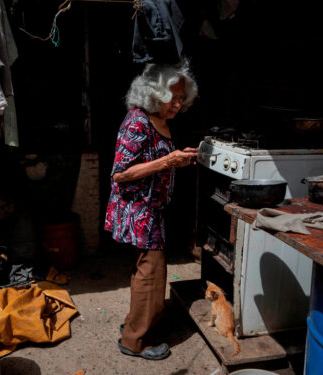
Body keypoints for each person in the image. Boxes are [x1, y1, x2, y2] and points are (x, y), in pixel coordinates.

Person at [104, 61, 198, 360]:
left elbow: (162, 161)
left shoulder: (161, 121)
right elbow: (119, 174)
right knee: (152, 274)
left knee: (144, 271)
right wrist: (168, 161)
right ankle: (135, 341)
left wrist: (179, 159)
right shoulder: (137, 122)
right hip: (138, 211)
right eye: (173, 97)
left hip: (152, 209)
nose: (178, 104)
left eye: (183, 97)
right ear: (154, 94)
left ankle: (134, 325)